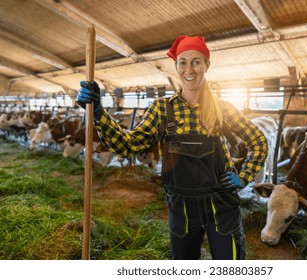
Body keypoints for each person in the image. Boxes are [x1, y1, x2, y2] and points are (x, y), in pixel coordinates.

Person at [76, 35, 268, 260]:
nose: (190, 69)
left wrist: (244, 177)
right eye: (183, 62)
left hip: (221, 204)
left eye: (196, 61)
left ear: (207, 64)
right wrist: (99, 111)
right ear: (176, 67)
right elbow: (127, 146)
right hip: (182, 207)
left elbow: (258, 142)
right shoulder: (161, 109)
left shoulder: (223, 109)